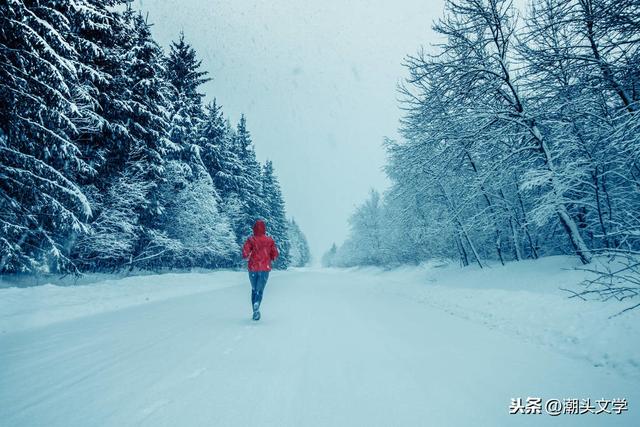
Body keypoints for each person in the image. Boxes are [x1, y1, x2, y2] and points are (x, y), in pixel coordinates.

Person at [242, 219, 279, 321]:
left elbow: (245, 253)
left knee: (254, 289)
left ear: (254, 228)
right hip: (264, 268)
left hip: (253, 268)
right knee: (259, 289)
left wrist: (247, 254)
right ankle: (257, 304)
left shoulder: (251, 239)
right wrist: (270, 257)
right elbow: (275, 254)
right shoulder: (269, 240)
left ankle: (255, 312)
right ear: (264, 229)